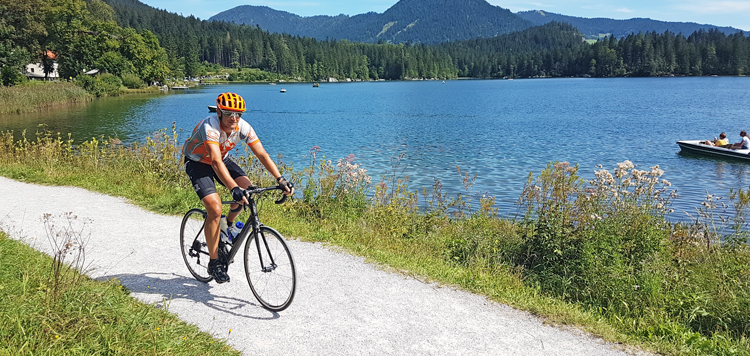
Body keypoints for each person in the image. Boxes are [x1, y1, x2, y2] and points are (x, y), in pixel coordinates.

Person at [183, 92, 294, 283]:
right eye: (228, 114)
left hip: (222, 160)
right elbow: (215, 162)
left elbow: (262, 155)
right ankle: (214, 262)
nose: (234, 118)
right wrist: (233, 188)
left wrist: (280, 179)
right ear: (219, 112)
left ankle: (228, 225)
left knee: (248, 192)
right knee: (214, 208)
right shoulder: (210, 126)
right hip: (198, 162)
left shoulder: (243, 127)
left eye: (238, 114)